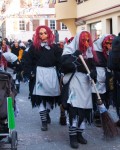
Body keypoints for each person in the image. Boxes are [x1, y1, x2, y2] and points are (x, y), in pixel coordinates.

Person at [60, 31, 96, 149]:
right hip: (74, 81)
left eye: (87, 40)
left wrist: (93, 73)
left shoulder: (89, 53)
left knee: (84, 108)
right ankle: (73, 136)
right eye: (83, 41)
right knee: (74, 109)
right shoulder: (69, 51)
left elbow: (92, 67)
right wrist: (75, 55)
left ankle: (80, 134)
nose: (85, 43)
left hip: (85, 83)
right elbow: (64, 66)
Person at [23, 25, 62, 131]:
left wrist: (62, 71)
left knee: (50, 98)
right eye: (40, 33)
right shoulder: (33, 48)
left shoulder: (55, 48)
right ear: (37, 35)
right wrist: (30, 72)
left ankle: (46, 113)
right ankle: (44, 121)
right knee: (40, 99)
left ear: (49, 34)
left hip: (52, 74)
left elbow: (60, 61)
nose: (43, 35)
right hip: (38, 75)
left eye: (45, 33)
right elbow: (27, 61)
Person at [92, 34, 115, 127]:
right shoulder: (96, 51)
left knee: (108, 95)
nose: (110, 45)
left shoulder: (112, 51)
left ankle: (104, 111)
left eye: (112, 43)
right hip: (98, 75)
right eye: (108, 43)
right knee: (98, 95)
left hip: (109, 76)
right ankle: (97, 114)